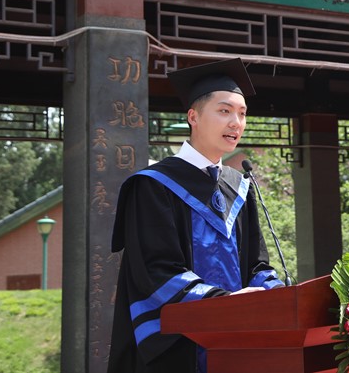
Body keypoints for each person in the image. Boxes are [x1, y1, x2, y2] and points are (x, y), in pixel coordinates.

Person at [108, 58, 285, 373]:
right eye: (224, 111)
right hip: (178, 350)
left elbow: (257, 265)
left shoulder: (240, 187)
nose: (236, 123)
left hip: (239, 344)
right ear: (193, 117)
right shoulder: (153, 186)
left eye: (242, 114)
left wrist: (280, 295)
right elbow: (156, 272)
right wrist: (224, 303)